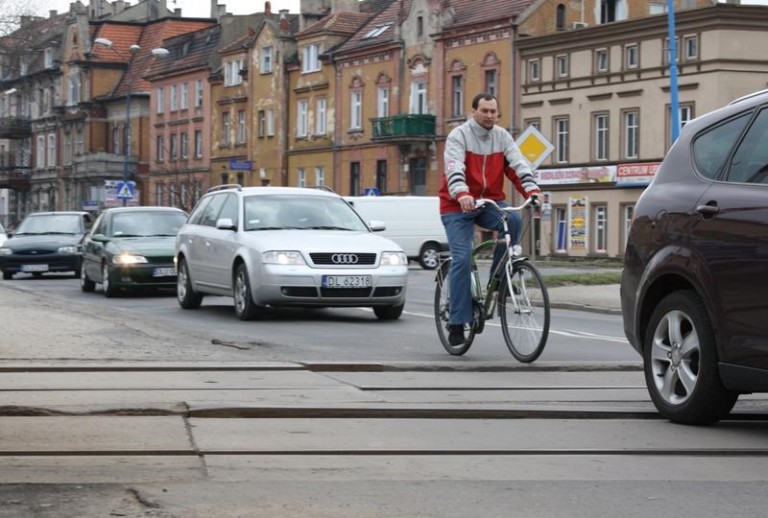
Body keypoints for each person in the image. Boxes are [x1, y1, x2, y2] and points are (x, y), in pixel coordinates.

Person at [439, 92, 541, 346]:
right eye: (484, 111)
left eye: (493, 111)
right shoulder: (459, 136)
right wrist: (462, 193)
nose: (489, 116)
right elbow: (454, 168)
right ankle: (456, 321)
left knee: (514, 220)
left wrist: (533, 191)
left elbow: (518, 166)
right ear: (474, 111)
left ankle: (501, 278)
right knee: (462, 259)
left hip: (489, 202)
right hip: (457, 205)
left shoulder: (502, 137)